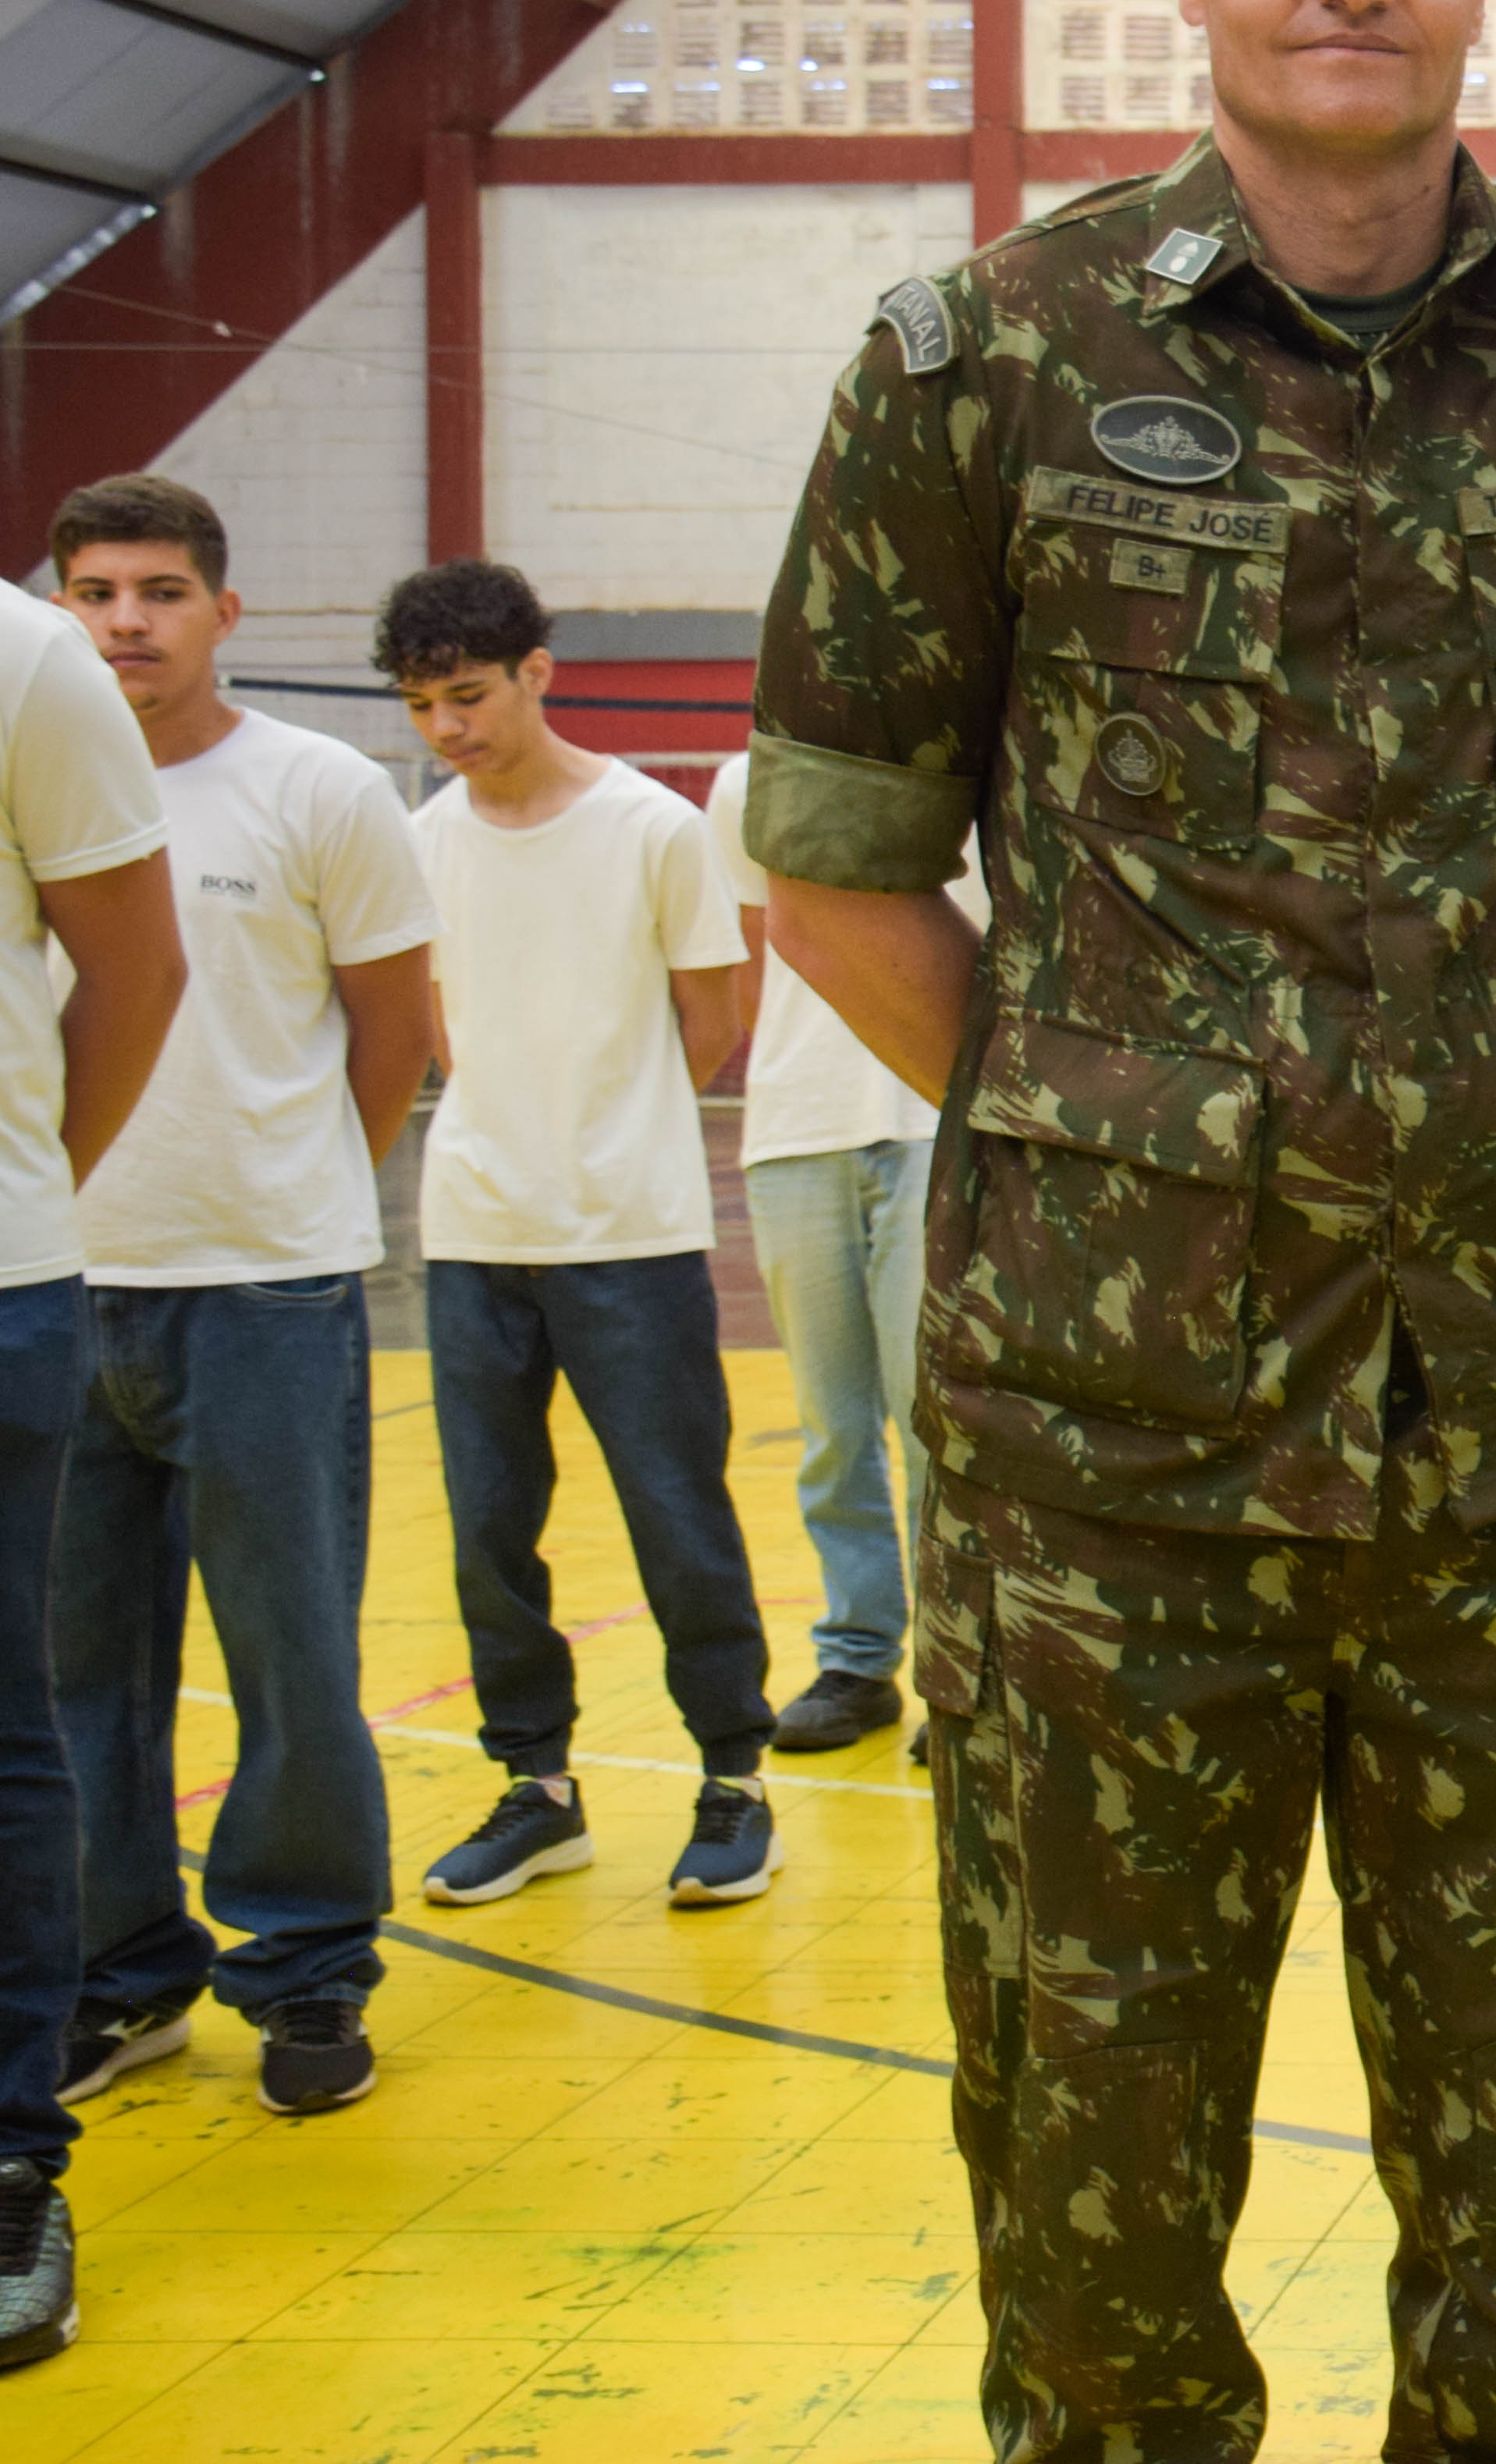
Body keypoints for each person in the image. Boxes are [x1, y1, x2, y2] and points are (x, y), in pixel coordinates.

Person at [746, 0, 1496, 2464]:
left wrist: (1470, 1114)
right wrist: (1139, 1143)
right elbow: (839, 871)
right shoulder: (983, 358)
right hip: (1109, 1462)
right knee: (1092, 2227)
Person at [47, 478, 435, 2120]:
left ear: (224, 611)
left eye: (158, 590)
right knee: (74, 1674)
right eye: (93, 592)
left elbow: (393, 1032)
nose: (125, 621)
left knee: (289, 1658)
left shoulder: (321, 789)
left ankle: (307, 1965)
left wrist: (296, 1196)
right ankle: (118, 1971)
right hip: (59, 1285)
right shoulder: (28, 780)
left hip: (265, 1292)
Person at [383, 559, 777, 1912]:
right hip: (472, 1233)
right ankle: (538, 1789)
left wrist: (612, 1127)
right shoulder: (422, 840)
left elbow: (712, 1018)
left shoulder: (652, 829)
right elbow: (441, 1025)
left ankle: (734, 1779)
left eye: (467, 694)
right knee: (491, 1530)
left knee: (678, 1512)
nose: (446, 726)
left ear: (537, 672)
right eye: (422, 704)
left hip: (631, 1233)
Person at [0, 577, 188, 2372]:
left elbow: (134, 971)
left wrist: (26, 1189)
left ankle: (6, 2170)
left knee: (3, 1729)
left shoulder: (24, 657)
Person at [703, 744, 979, 1755]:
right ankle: (857, 1658)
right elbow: (752, 964)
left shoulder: (969, 767)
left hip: (933, 1121)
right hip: (794, 1132)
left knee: (932, 1416)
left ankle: (954, 1664)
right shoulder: (743, 785)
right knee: (831, 1423)